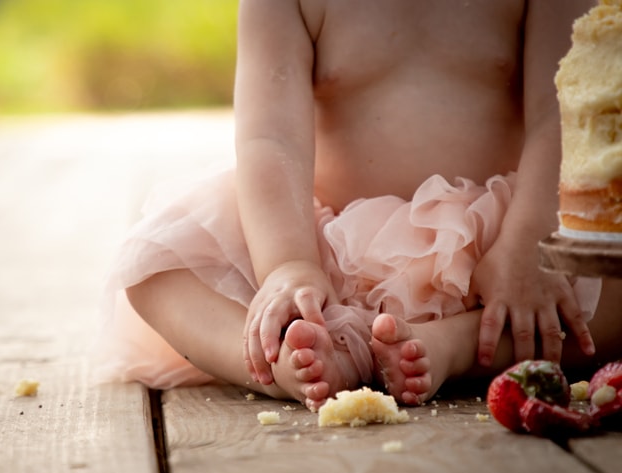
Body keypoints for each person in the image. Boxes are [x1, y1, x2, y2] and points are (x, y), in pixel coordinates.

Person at [94, 0, 622, 410]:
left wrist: (528, 241)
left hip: (495, 255)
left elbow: (564, 115)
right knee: (153, 267)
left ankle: (451, 347)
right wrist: (287, 265)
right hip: (324, 247)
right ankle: (280, 358)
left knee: (611, 285)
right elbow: (270, 141)